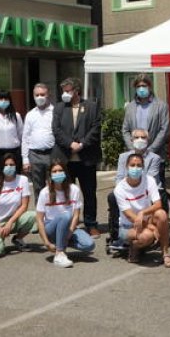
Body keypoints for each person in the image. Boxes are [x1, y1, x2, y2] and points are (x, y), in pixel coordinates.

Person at [53, 76, 102, 236]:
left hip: (86, 157)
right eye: (63, 91)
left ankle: (91, 223)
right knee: (66, 192)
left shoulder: (91, 106)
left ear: (76, 91)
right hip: (66, 158)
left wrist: (81, 144)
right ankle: (67, 221)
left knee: (89, 192)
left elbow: (95, 128)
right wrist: (70, 144)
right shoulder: (59, 108)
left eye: (68, 91)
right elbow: (56, 130)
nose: (65, 94)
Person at [113, 153, 170, 267]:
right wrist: (152, 227)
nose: (135, 168)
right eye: (132, 165)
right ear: (127, 167)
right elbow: (130, 216)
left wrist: (143, 212)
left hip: (146, 219)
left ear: (143, 167)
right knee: (147, 236)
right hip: (128, 226)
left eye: (139, 165)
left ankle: (165, 253)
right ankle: (134, 246)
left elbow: (158, 204)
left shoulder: (149, 180)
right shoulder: (119, 189)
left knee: (162, 214)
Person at [35, 160, 96, 268]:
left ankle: (61, 242)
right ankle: (59, 253)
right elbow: (39, 219)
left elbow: (76, 214)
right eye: (54, 171)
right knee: (66, 215)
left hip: (69, 227)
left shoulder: (74, 189)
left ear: (65, 172)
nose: (58, 173)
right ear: (50, 174)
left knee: (89, 245)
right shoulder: (44, 192)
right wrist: (46, 242)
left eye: (60, 170)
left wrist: (69, 232)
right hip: (50, 228)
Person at [108, 127, 164, 234]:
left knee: (161, 195)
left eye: (143, 137)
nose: (140, 140)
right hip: (128, 187)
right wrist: (123, 189)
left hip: (147, 187)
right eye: (136, 137)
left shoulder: (154, 158)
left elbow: (151, 176)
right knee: (112, 196)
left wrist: (137, 185)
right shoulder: (123, 157)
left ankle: (155, 225)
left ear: (148, 140)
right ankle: (116, 228)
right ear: (132, 140)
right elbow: (119, 176)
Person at [0, 153, 36, 259]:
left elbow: (24, 206)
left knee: (35, 216)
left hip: (13, 219)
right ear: (2, 167)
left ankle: (18, 239)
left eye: (12, 164)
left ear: (16, 166)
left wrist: (10, 223)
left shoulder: (23, 180)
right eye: (6, 165)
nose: (9, 167)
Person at [122, 73, 170, 186]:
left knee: (157, 188)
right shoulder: (130, 107)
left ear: (150, 86)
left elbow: (164, 129)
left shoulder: (161, 105)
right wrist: (133, 148)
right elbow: (125, 130)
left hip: (155, 154)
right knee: (136, 189)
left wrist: (151, 150)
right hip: (135, 156)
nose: (141, 89)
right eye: (138, 86)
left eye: (144, 85)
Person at [22, 83, 57, 197]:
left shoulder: (56, 112)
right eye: (37, 95)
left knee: (55, 186)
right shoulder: (30, 114)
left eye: (42, 94)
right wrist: (25, 159)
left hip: (52, 154)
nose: (40, 97)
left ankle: (54, 213)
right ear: (33, 96)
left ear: (48, 95)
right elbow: (25, 137)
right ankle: (40, 213)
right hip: (35, 155)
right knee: (38, 189)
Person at [0, 90, 22, 175]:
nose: (3, 101)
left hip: (14, 153)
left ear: (10, 101)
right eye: (1, 99)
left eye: (6, 99)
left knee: (14, 179)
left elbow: (21, 134)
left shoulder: (16, 116)